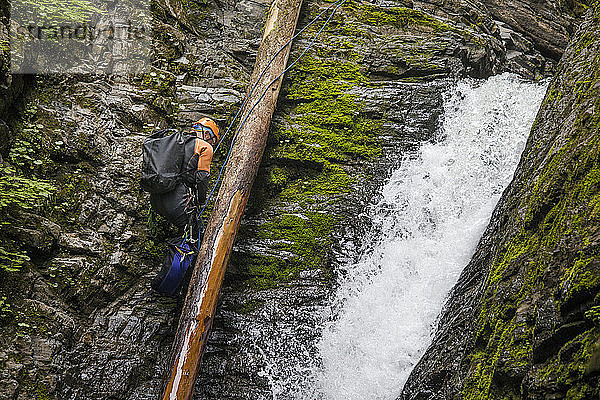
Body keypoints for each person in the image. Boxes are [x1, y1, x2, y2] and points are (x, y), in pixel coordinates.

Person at [149, 117, 220, 294]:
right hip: (178, 202)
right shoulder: (204, 147)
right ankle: (172, 284)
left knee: (187, 234)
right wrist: (202, 200)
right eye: (212, 139)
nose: (212, 143)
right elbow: (203, 178)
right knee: (197, 237)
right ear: (208, 134)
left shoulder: (176, 142)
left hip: (157, 200)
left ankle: (172, 278)